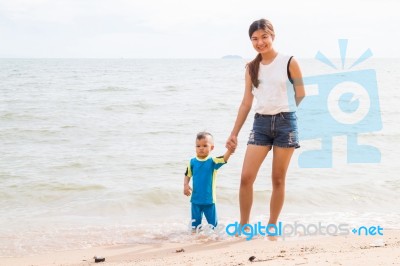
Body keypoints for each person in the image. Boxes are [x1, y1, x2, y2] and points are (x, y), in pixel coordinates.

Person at [225, 19, 305, 234]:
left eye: (264, 37)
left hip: (285, 123)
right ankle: (243, 226)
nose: (260, 42)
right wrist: (234, 133)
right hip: (260, 123)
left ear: (272, 36)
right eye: (254, 39)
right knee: (245, 178)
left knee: (278, 179)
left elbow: (301, 94)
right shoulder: (251, 68)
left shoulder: (289, 61)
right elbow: (246, 103)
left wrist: (285, 111)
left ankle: (272, 226)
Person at [184, 132, 233, 231]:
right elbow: (187, 174)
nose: (201, 148)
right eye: (198, 146)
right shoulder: (192, 162)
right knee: (195, 226)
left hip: (209, 200)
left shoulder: (213, 161)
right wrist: (186, 185)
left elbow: (224, 159)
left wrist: (230, 150)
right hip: (195, 200)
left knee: (213, 225)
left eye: (205, 145)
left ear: (212, 147)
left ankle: (214, 238)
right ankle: (194, 240)